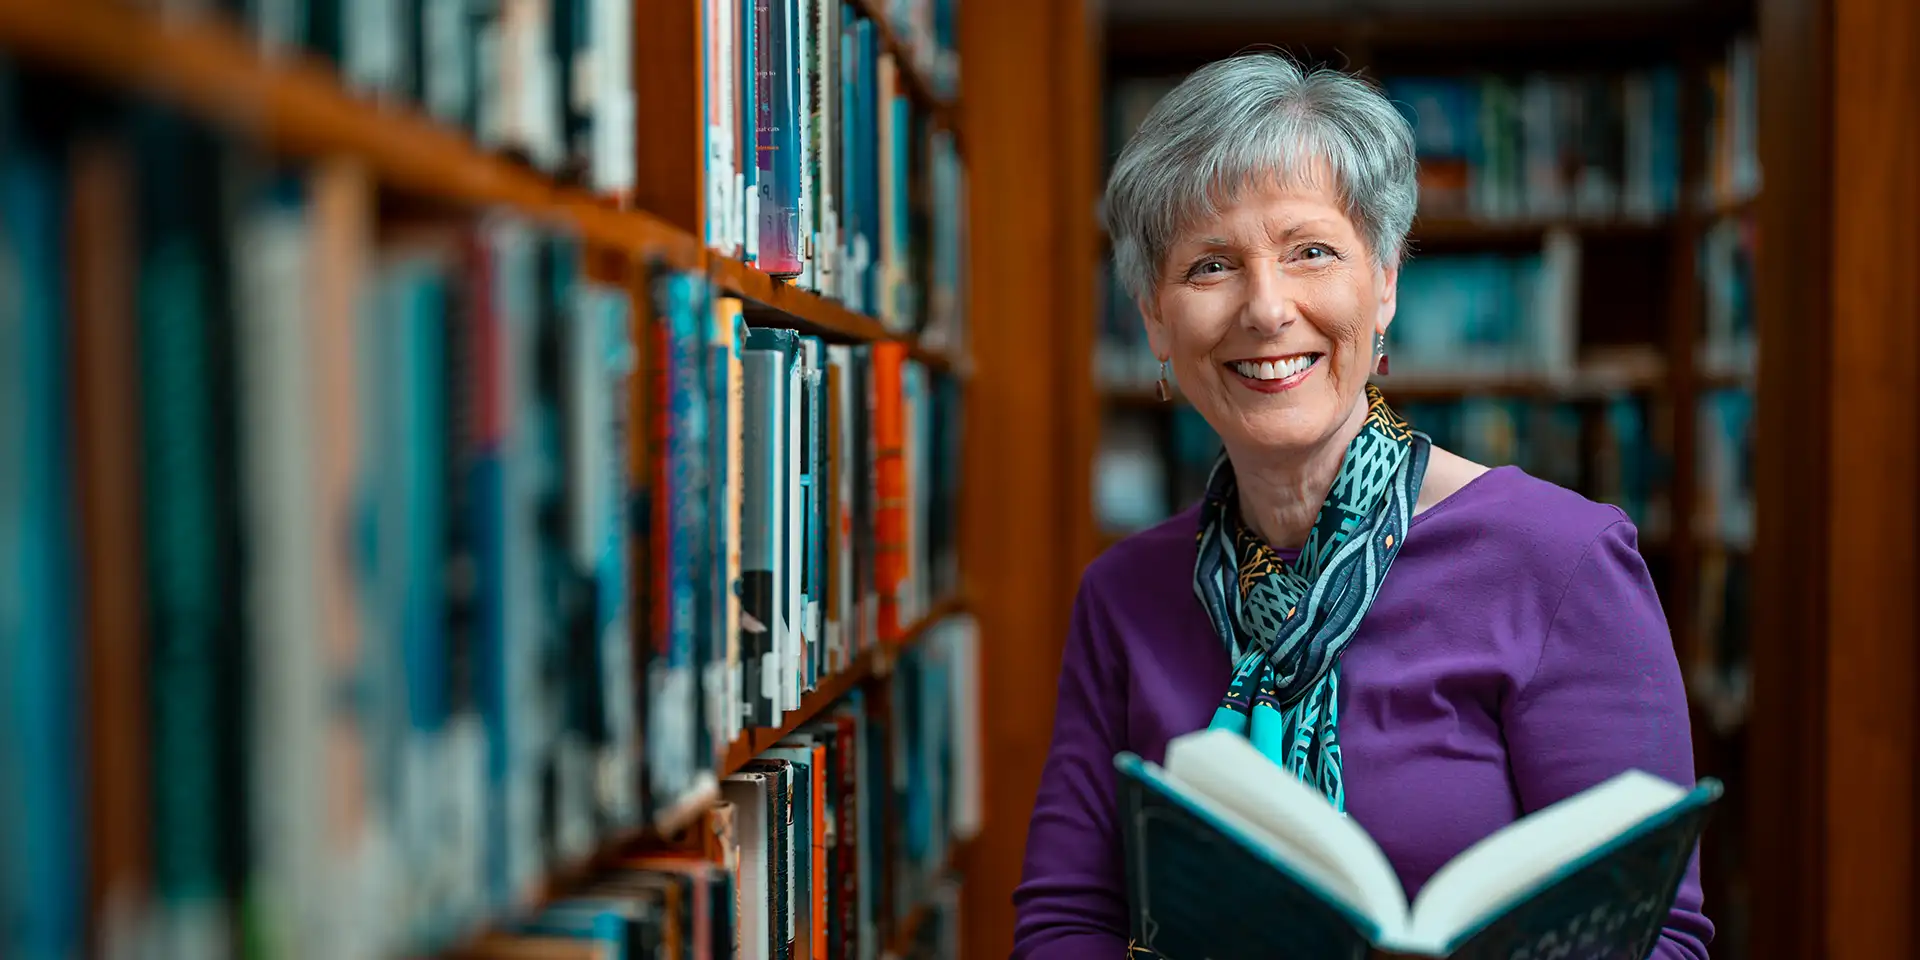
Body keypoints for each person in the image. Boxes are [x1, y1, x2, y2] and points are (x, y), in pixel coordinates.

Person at [1011, 52, 1711, 958]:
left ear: (1383, 282)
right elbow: (1068, 923)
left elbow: (1658, 939)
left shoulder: (1561, 561)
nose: (1267, 309)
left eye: (1311, 251)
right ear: (1153, 317)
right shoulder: (1124, 595)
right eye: (1211, 265)